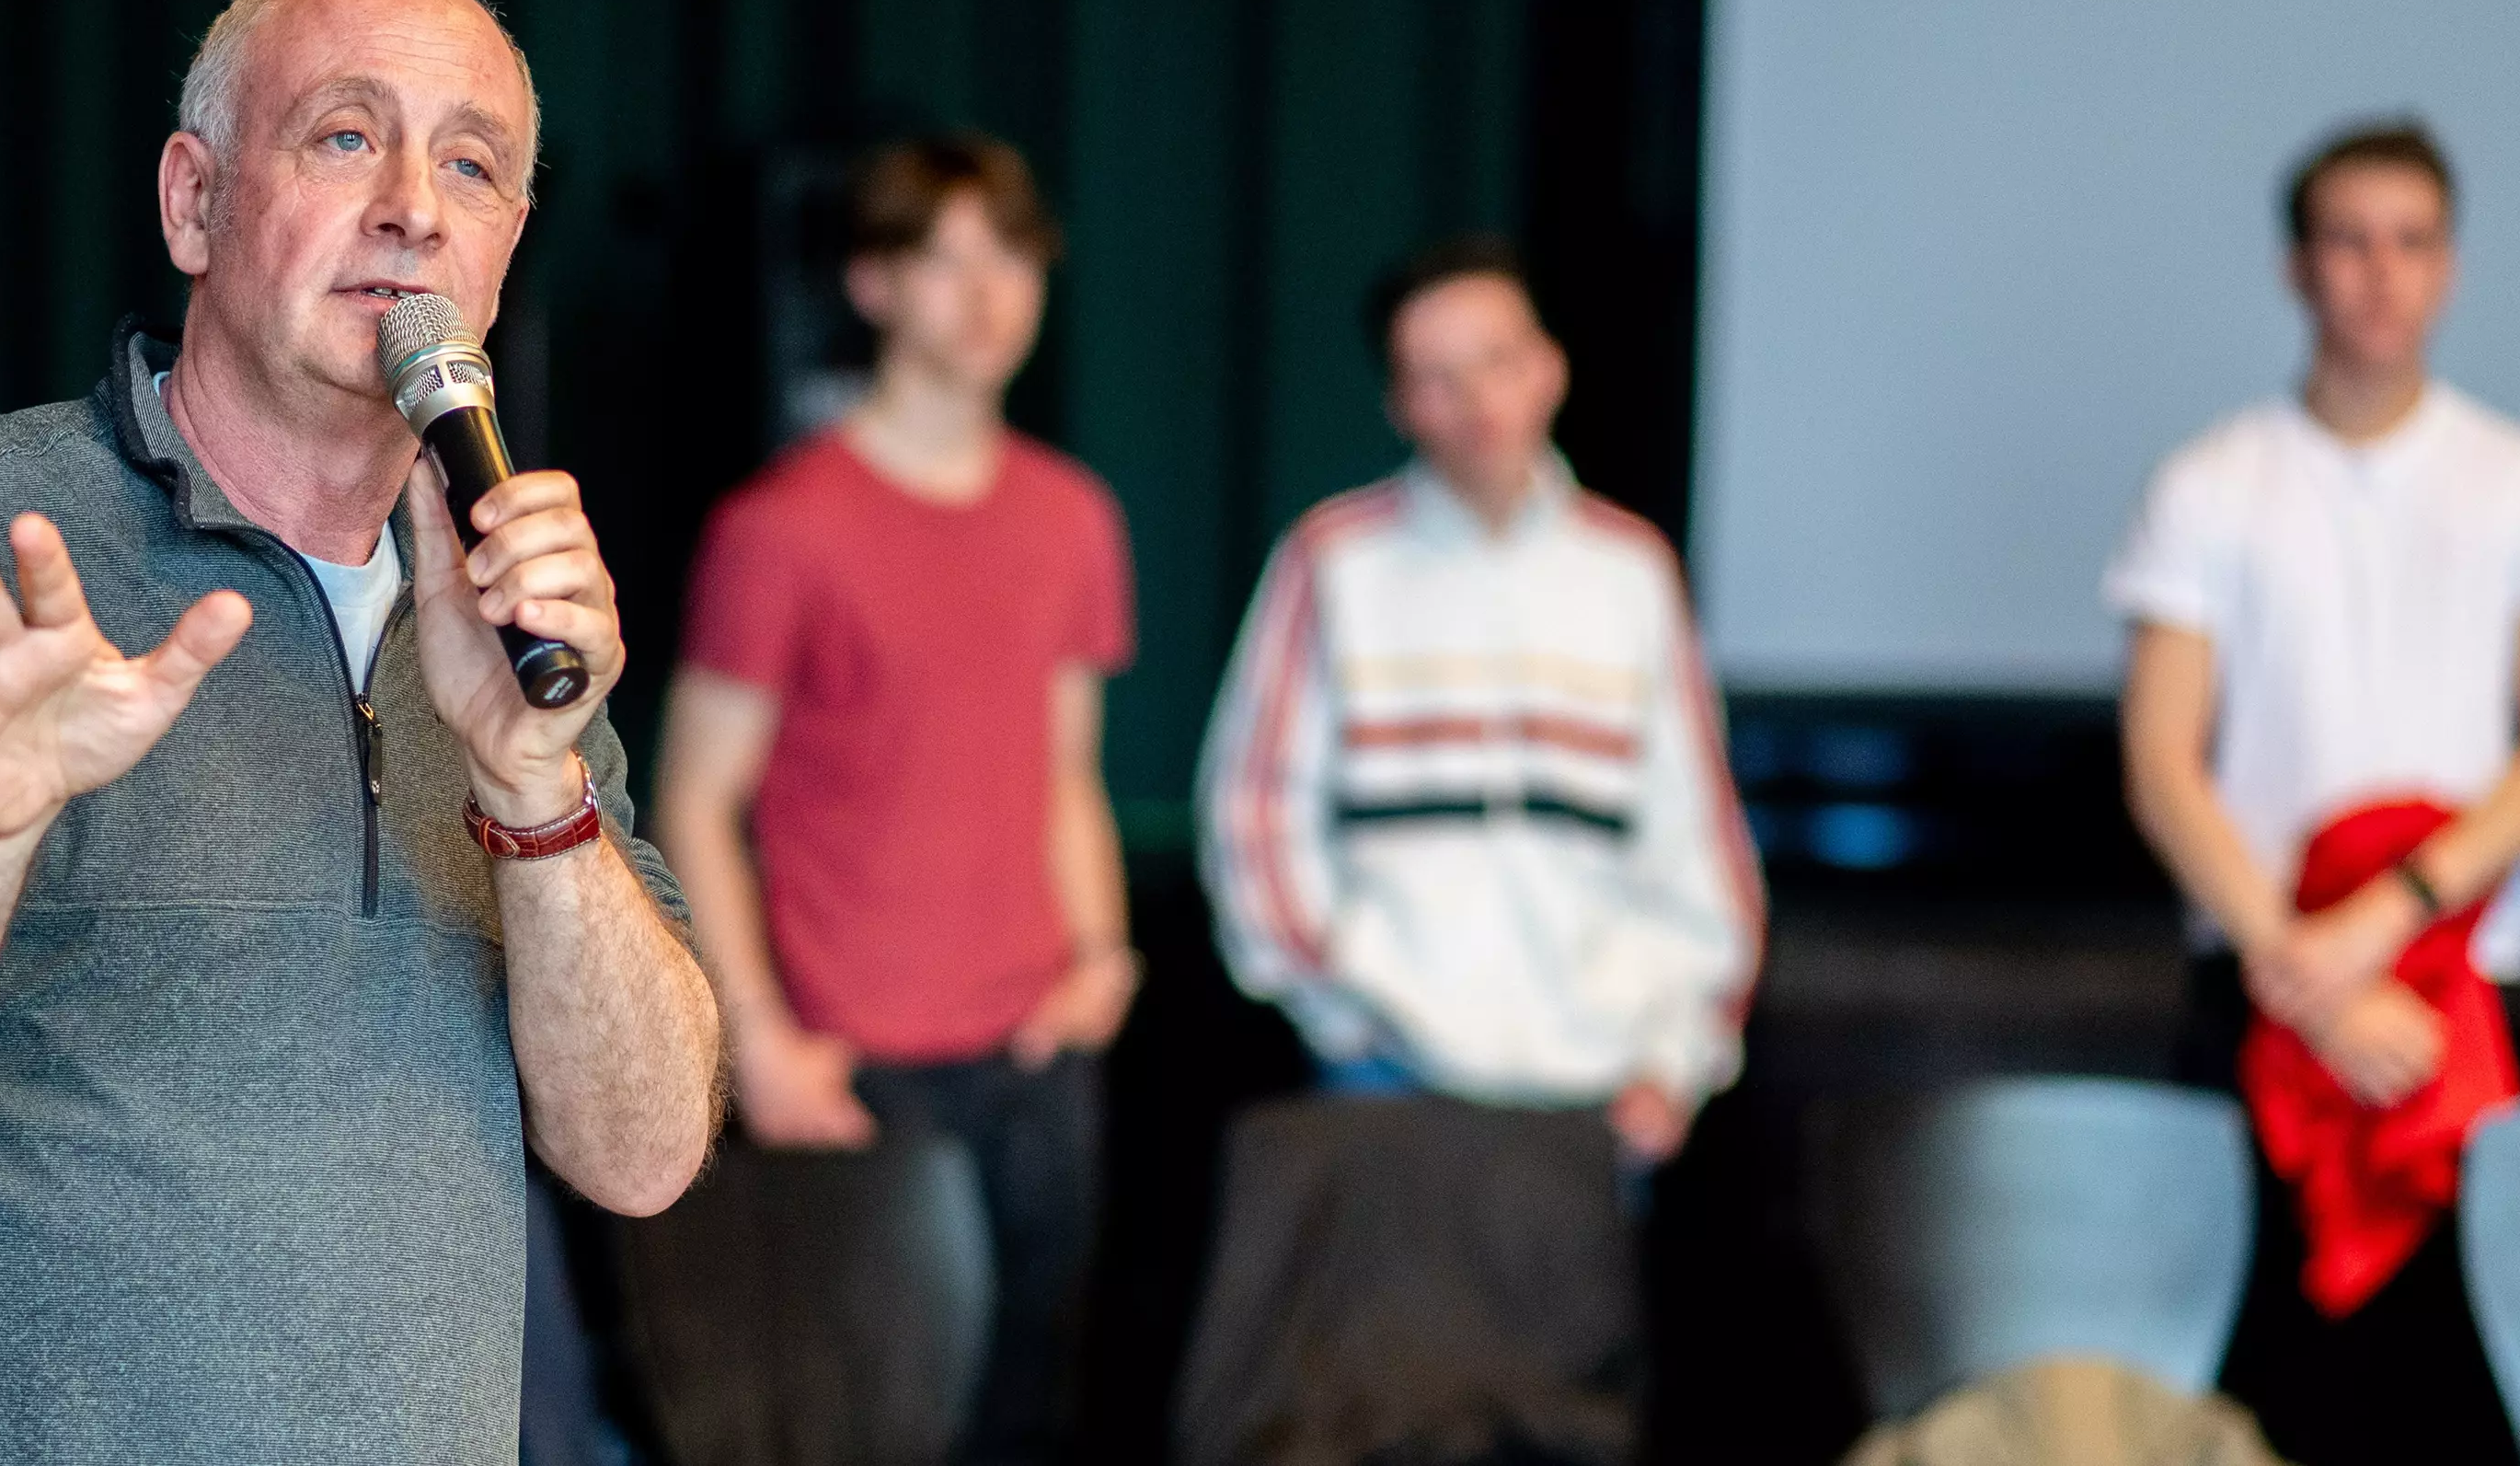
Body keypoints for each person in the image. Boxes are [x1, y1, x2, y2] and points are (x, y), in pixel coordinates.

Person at [0, 0, 722, 1464]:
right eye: (347, 135)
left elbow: (640, 1153)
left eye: (475, 163)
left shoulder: (519, 624)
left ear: (504, 248)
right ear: (193, 201)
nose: (413, 207)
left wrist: (531, 784)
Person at [1178, 237, 1763, 1463]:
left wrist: (1677, 1055)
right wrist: (1350, 1012)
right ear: (1401, 403)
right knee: (1374, 1422)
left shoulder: (1628, 570)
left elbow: (1694, 845)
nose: (1476, 399)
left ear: (1547, 366)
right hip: (1390, 1082)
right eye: (1437, 375)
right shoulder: (1336, 560)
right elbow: (1253, 809)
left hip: (1585, 1093)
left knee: (1557, 1427)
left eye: (1497, 359)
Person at [2112, 120, 2520, 1466]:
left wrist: (2378, 927)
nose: (2379, 274)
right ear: (2297, 266)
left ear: (2448, 266)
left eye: (2411, 242)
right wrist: (2298, 960)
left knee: (2462, 1392)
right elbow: (2164, 760)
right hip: (2264, 999)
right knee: (2260, 1386)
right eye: (2349, 240)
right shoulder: (2212, 482)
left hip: (2456, 1010)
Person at [654, 133, 1136, 1463]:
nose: (988, 294)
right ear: (873, 285)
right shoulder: (783, 526)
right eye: (944, 259)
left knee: (1027, 1421)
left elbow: (1065, 771)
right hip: (855, 1065)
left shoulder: (1071, 515)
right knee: (871, 1427)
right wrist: (754, 1038)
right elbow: (697, 798)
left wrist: (1099, 958)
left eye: (1013, 256)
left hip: (1037, 1052)